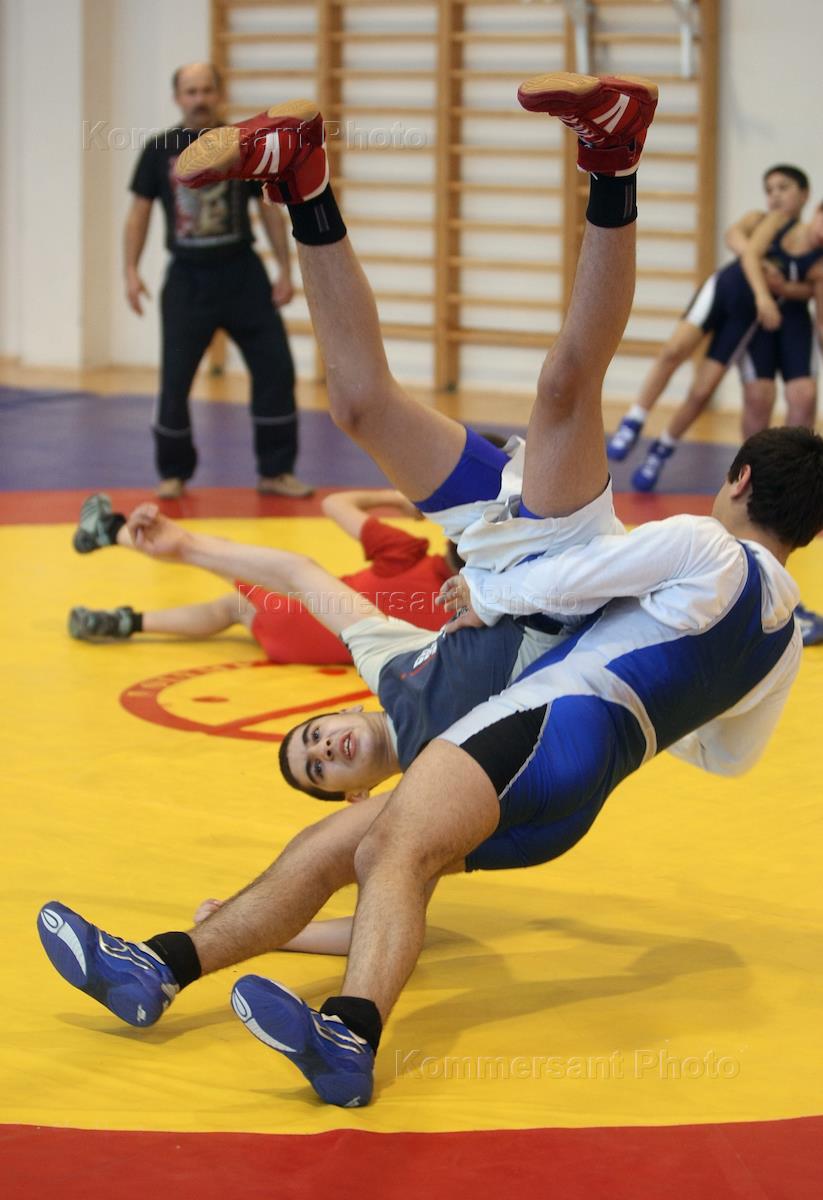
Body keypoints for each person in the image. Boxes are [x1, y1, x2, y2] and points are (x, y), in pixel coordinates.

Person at [38, 74, 823, 1113]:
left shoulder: (411, 671)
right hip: (527, 596)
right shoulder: (407, 689)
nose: (326, 748)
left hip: (535, 592)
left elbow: (342, 581)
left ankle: (613, 158)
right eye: (321, 763)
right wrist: (626, 656)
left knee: (554, 388)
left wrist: (527, 613)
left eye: (309, 745)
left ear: (739, 480)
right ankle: (303, 180)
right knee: (361, 402)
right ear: (348, 778)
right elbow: (720, 746)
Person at [125, 61, 312, 500]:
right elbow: (139, 213)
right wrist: (130, 270)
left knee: (276, 369)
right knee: (175, 381)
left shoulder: (241, 145)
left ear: (219, 94)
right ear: (178, 98)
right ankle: (173, 472)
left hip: (242, 274)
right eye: (191, 91)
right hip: (187, 280)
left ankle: (276, 470)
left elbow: (268, 208)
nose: (199, 99)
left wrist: (284, 270)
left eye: (207, 90)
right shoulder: (158, 150)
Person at [66, 487, 461, 660]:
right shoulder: (471, 617)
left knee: (216, 554)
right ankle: (126, 622)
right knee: (233, 608)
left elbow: (334, 504)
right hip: (310, 653)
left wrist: (396, 500)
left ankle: (110, 532)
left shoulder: (406, 552)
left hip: (298, 609)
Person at [606, 165, 817, 478]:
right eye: (769, 190)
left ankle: (662, 449)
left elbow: (809, 287)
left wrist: (782, 287)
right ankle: (635, 418)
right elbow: (734, 237)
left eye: (783, 188)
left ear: (804, 195)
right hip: (725, 293)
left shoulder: (810, 242)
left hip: (746, 318)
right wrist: (762, 278)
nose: (775, 196)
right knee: (674, 350)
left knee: (702, 391)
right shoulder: (762, 220)